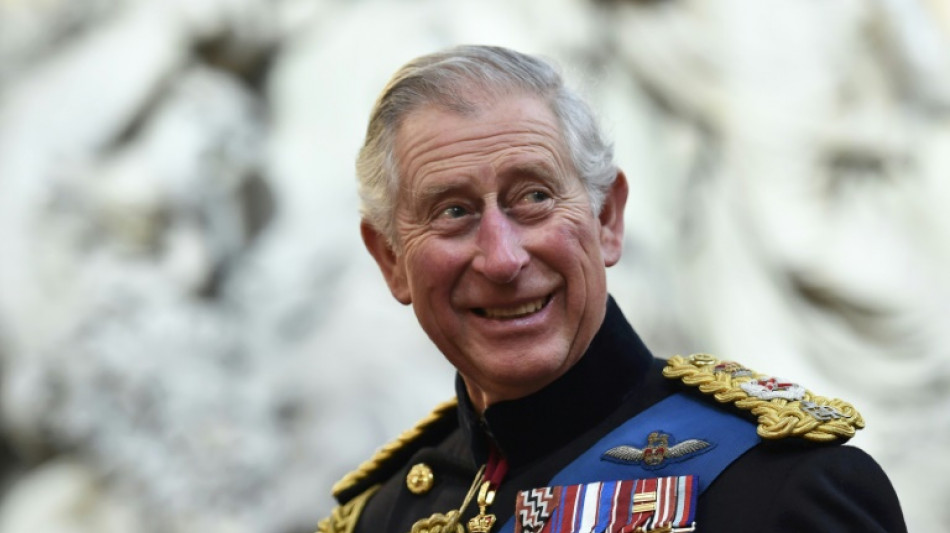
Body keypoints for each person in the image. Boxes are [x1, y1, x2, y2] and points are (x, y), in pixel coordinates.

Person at [318, 45, 907, 533]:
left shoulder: (781, 488)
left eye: (534, 197)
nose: (502, 258)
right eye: (452, 211)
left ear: (607, 219)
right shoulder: (379, 516)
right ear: (392, 260)